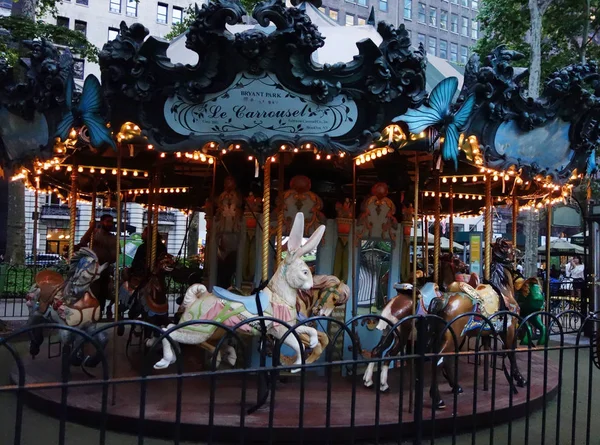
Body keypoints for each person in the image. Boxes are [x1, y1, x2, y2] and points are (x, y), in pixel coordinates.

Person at [75, 214, 118, 316]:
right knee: (92, 290)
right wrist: (91, 228)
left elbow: (115, 255)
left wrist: (110, 258)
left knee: (103, 292)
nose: (110, 224)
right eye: (108, 221)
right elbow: (83, 241)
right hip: (92, 268)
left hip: (105, 269)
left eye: (111, 222)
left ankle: (100, 311)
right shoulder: (94, 234)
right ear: (101, 222)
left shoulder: (113, 238)